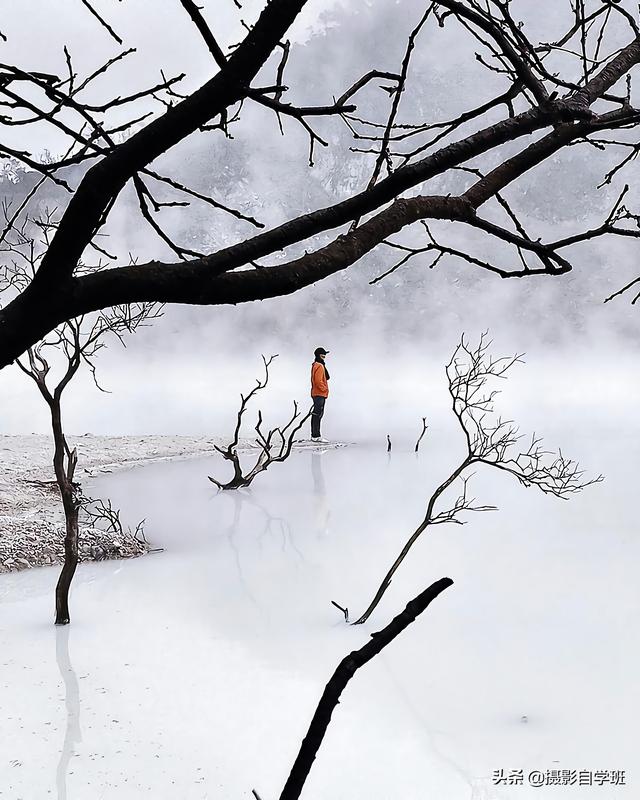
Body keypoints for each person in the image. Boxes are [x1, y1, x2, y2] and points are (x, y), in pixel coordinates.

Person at [310, 347, 330, 442]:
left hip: (317, 393)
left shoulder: (316, 364)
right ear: (318, 355)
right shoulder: (319, 366)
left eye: (325, 354)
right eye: (323, 354)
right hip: (319, 394)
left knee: (317, 414)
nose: (324, 356)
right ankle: (316, 436)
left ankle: (315, 435)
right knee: (317, 414)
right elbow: (318, 381)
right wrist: (324, 389)